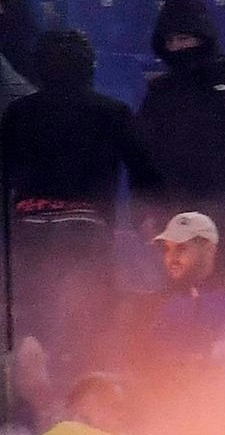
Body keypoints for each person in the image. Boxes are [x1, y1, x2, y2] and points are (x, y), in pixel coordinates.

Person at [0, 31, 154, 369]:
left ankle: (31, 404)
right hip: (86, 226)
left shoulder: (19, 112)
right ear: (89, 65)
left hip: (30, 225)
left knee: (32, 322)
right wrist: (148, 216)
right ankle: (86, 393)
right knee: (90, 320)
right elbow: (144, 168)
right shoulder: (111, 111)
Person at [137, 0, 225, 213]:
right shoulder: (160, 91)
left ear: (202, 37)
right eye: (170, 41)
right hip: (179, 210)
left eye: (183, 39)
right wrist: (150, 209)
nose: (176, 48)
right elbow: (147, 152)